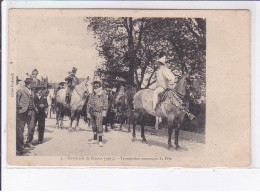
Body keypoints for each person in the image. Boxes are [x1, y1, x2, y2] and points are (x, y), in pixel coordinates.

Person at [16, 78, 37, 155]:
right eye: (30, 83)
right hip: (23, 112)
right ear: (27, 83)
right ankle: (20, 146)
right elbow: (16, 99)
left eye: (32, 83)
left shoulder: (33, 92)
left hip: (32, 111)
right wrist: (18, 108)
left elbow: (33, 101)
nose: (32, 85)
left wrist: (35, 108)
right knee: (21, 129)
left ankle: (29, 142)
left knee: (31, 127)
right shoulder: (21, 90)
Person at [87, 77, 108, 147]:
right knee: (93, 125)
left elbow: (105, 102)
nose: (96, 85)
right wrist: (88, 112)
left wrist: (104, 110)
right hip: (92, 111)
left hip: (99, 111)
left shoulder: (103, 92)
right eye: (95, 84)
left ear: (99, 84)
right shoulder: (92, 93)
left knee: (99, 125)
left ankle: (100, 140)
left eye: (97, 83)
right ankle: (95, 139)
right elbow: (89, 103)